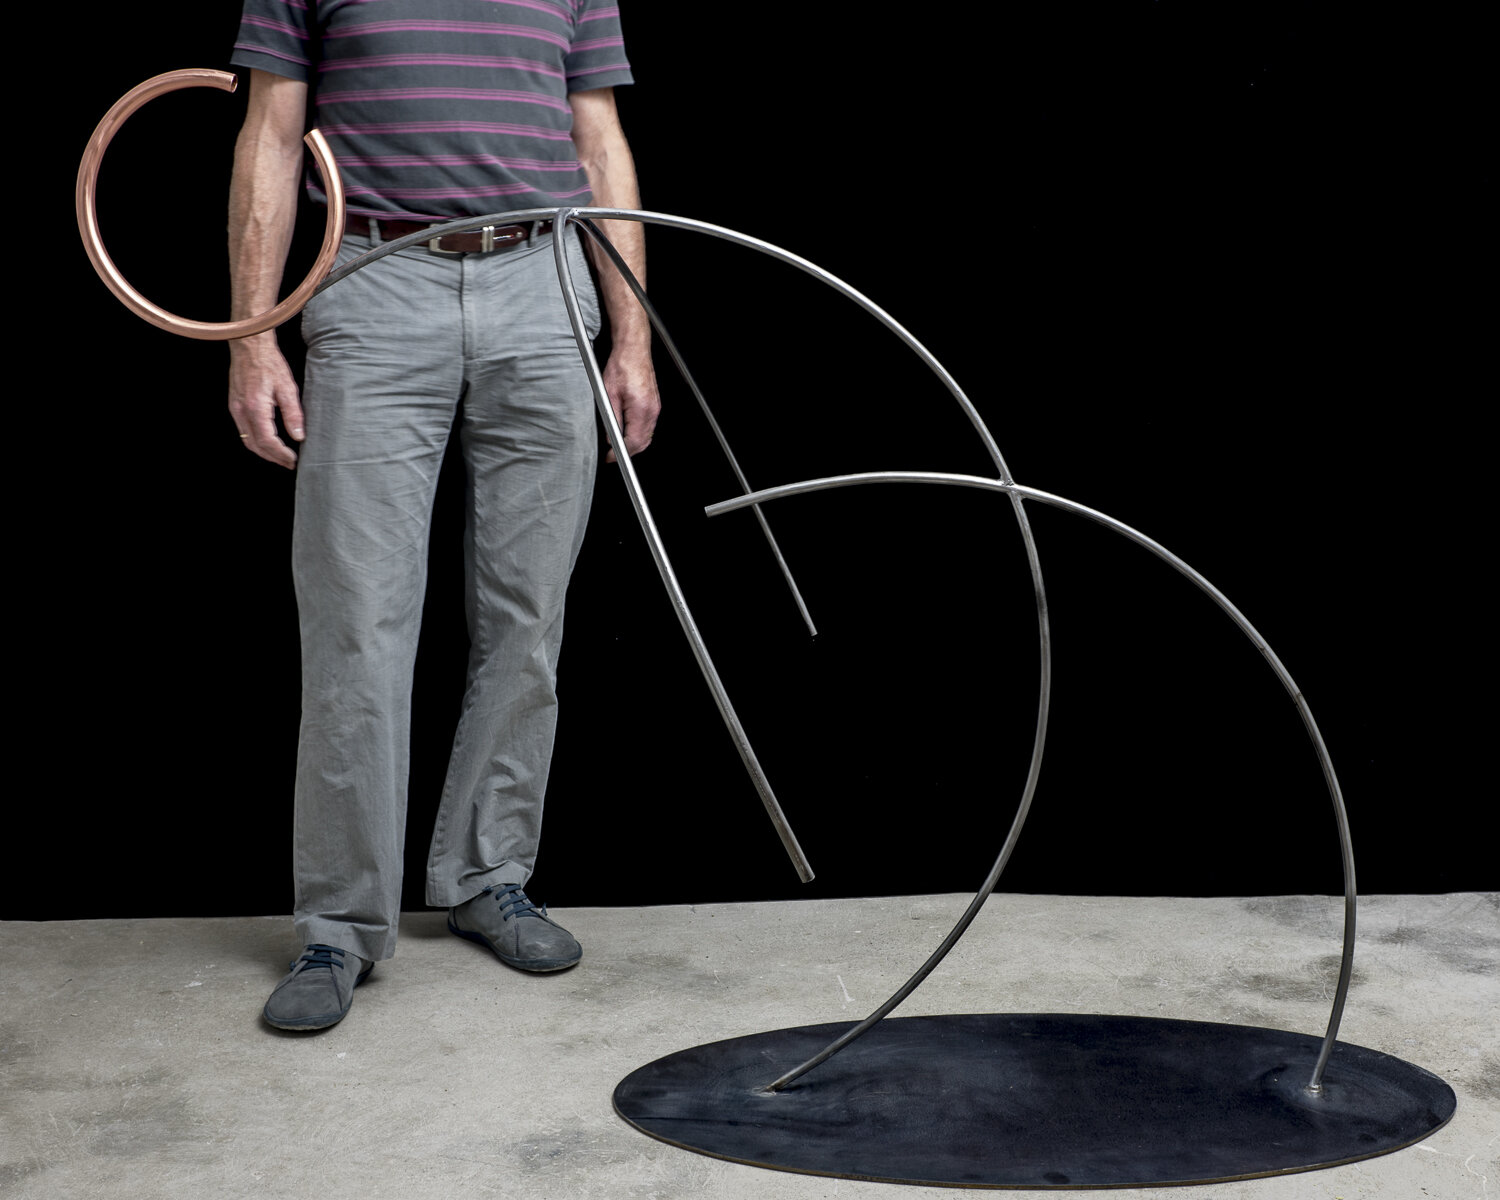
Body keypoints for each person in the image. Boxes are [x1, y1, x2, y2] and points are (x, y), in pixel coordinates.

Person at [226, 0, 659, 1031]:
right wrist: (252, 337)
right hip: (375, 275)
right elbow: (272, 135)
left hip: (546, 282)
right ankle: (340, 924)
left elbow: (598, 140)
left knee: (528, 614)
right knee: (357, 620)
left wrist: (632, 336)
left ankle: (487, 875)